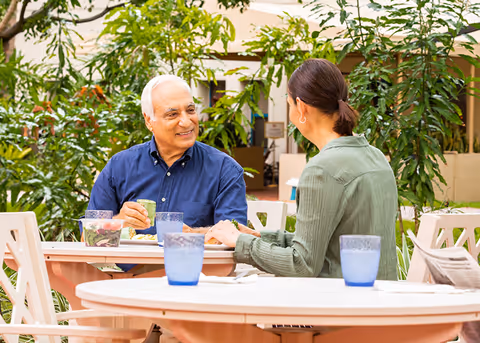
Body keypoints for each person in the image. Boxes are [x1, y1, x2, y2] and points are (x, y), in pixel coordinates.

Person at [205, 59, 398, 280]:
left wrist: (241, 243)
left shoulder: (322, 169)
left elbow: (302, 265)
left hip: (338, 305)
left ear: (302, 107)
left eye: (289, 105)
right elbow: (324, 244)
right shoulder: (376, 157)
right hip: (380, 300)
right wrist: (257, 236)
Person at [87, 75, 248, 236]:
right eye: (173, 114)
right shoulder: (119, 166)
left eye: (190, 110)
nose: (186, 122)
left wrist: (193, 235)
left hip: (191, 261)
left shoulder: (224, 170)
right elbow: (88, 238)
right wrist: (118, 222)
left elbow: (235, 240)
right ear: (149, 121)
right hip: (132, 262)